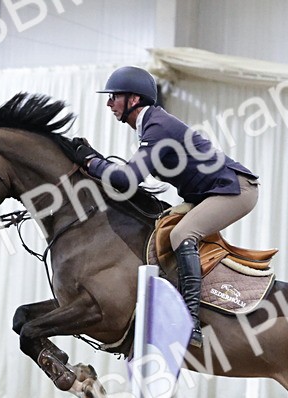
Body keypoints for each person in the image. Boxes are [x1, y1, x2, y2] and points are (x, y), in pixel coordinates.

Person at [75, 66, 259, 347]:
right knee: (159, 226)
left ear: (134, 100)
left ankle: (191, 323)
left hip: (236, 190)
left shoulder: (157, 126)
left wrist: (91, 161)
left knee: (180, 235)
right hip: (209, 192)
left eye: (114, 97)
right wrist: (96, 161)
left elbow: (127, 179)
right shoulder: (150, 125)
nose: (109, 103)